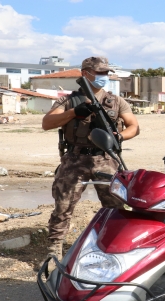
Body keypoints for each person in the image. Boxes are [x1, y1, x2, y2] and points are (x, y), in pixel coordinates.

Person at [41, 56, 140, 259]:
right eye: (100, 73)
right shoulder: (68, 100)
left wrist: (119, 137)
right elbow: (47, 122)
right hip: (75, 159)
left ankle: (113, 245)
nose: (104, 77)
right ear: (85, 74)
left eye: (106, 73)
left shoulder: (116, 101)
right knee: (63, 205)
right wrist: (74, 112)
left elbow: (134, 126)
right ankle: (54, 248)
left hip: (105, 158)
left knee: (115, 205)